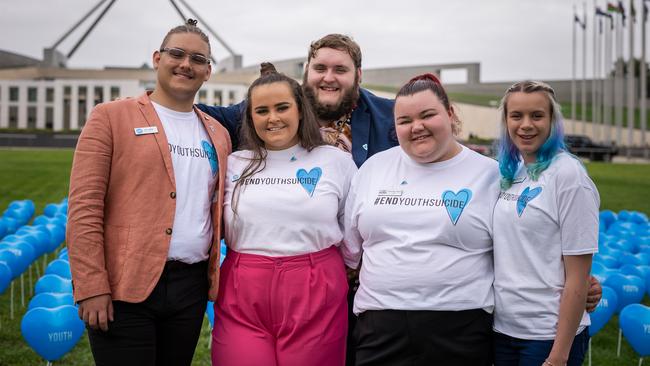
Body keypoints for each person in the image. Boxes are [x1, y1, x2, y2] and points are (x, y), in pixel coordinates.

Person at [66, 20, 231, 365]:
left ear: (208, 72)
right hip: (125, 285)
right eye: (177, 53)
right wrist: (91, 285)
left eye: (198, 59)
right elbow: (84, 208)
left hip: (190, 286)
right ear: (157, 58)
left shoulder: (217, 133)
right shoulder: (110, 117)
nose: (186, 64)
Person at [343, 74, 498, 365]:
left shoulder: (489, 174)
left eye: (428, 115)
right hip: (379, 326)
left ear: (450, 114)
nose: (417, 127)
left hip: (461, 326)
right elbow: (349, 250)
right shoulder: (373, 169)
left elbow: (517, 249)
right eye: (404, 120)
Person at [211, 67, 357, 366]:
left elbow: (354, 227)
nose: (272, 118)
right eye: (261, 110)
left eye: (282, 107)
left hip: (316, 288)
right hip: (243, 289)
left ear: (300, 110)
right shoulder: (234, 163)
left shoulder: (336, 161)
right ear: (250, 117)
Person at [492, 81, 598, 366]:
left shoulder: (569, 176)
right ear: (506, 121)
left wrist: (558, 356)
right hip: (502, 330)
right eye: (517, 116)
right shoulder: (509, 171)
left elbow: (579, 274)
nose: (526, 125)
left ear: (553, 121)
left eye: (537, 116)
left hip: (547, 335)